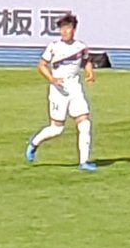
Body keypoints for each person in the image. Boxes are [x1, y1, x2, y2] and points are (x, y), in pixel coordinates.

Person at [25, 13, 96, 171]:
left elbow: (86, 61)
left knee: (84, 123)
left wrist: (90, 73)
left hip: (75, 88)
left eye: (68, 28)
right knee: (57, 129)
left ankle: (84, 162)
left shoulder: (81, 46)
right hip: (59, 91)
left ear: (74, 29)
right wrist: (52, 78)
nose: (65, 31)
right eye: (62, 28)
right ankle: (34, 143)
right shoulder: (54, 46)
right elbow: (42, 65)